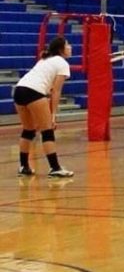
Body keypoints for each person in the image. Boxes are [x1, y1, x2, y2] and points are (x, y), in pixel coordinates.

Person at [14, 36, 75, 178]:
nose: (70, 47)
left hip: (19, 90)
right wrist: (53, 115)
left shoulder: (45, 59)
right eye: (68, 45)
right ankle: (55, 168)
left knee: (28, 130)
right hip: (33, 92)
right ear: (61, 49)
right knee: (47, 131)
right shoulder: (62, 63)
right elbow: (56, 90)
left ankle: (24, 167)